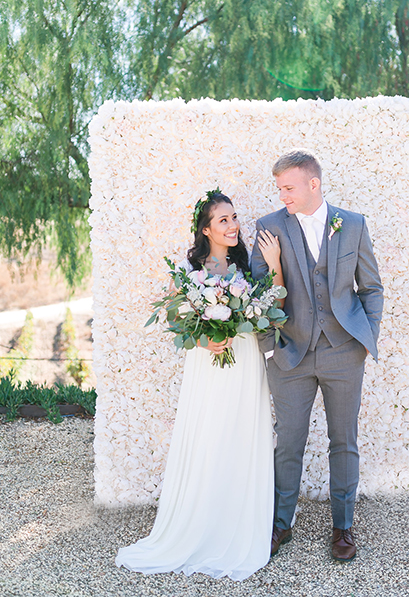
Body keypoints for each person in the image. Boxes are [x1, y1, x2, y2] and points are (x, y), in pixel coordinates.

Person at [116, 191, 284, 581]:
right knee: (210, 432)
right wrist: (205, 339)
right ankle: (201, 522)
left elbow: (273, 297)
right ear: (206, 229)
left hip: (244, 360)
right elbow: (177, 319)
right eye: (223, 220)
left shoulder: (246, 263)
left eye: (235, 218)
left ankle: (239, 520)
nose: (233, 225)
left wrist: (274, 263)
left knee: (241, 433)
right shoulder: (191, 271)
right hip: (208, 361)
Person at [250, 151, 384, 562]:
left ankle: (343, 527)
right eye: (279, 188)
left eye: (288, 187)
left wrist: (366, 338)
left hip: (345, 351)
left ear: (314, 184)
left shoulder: (353, 224)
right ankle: (280, 524)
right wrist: (270, 346)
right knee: (287, 441)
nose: (282, 194)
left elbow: (371, 287)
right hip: (290, 355)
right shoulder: (269, 227)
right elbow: (260, 296)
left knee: (344, 441)